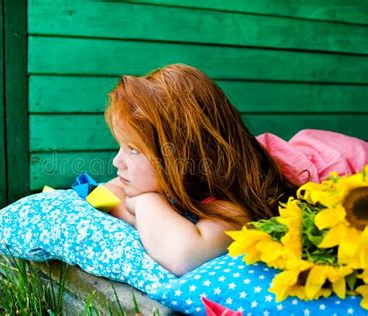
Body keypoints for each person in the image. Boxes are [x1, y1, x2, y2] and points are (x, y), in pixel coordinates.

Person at [103, 63, 298, 276]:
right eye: (121, 146)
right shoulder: (154, 181)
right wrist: (140, 217)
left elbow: (184, 256)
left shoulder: (233, 209)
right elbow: (107, 192)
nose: (116, 162)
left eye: (133, 149)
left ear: (186, 157)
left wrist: (145, 203)